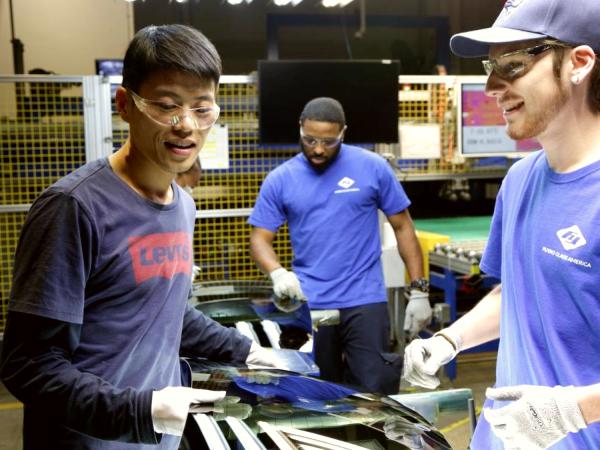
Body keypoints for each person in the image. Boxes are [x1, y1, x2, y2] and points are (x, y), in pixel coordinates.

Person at [0, 24, 275, 450]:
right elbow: (28, 363)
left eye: (202, 109)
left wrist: (245, 350)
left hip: (156, 442)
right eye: (167, 106)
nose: (186, 126)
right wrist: (139, 412)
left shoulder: (183, 206)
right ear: (125, 104)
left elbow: (163, 310)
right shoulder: (75, 207)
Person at [402, 0, 600, 449]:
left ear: (579, 63)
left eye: (513, 65)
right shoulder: (520, 180)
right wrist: (450, 339)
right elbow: (522, 290)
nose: (492, 86)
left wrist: (577, 409)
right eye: (491, 67)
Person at [248, 97, 431, 395]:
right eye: (310, 140)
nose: (318, 149)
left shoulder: (372, 167)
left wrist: (419, 290)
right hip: (310, 304)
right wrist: (278, 273)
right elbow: (260, 238)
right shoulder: (280, 180)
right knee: (316, 391)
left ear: (343, 133)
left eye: (328, 141)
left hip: (365, 300)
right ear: (300, 128)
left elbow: (403, 226)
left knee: (373, 394)